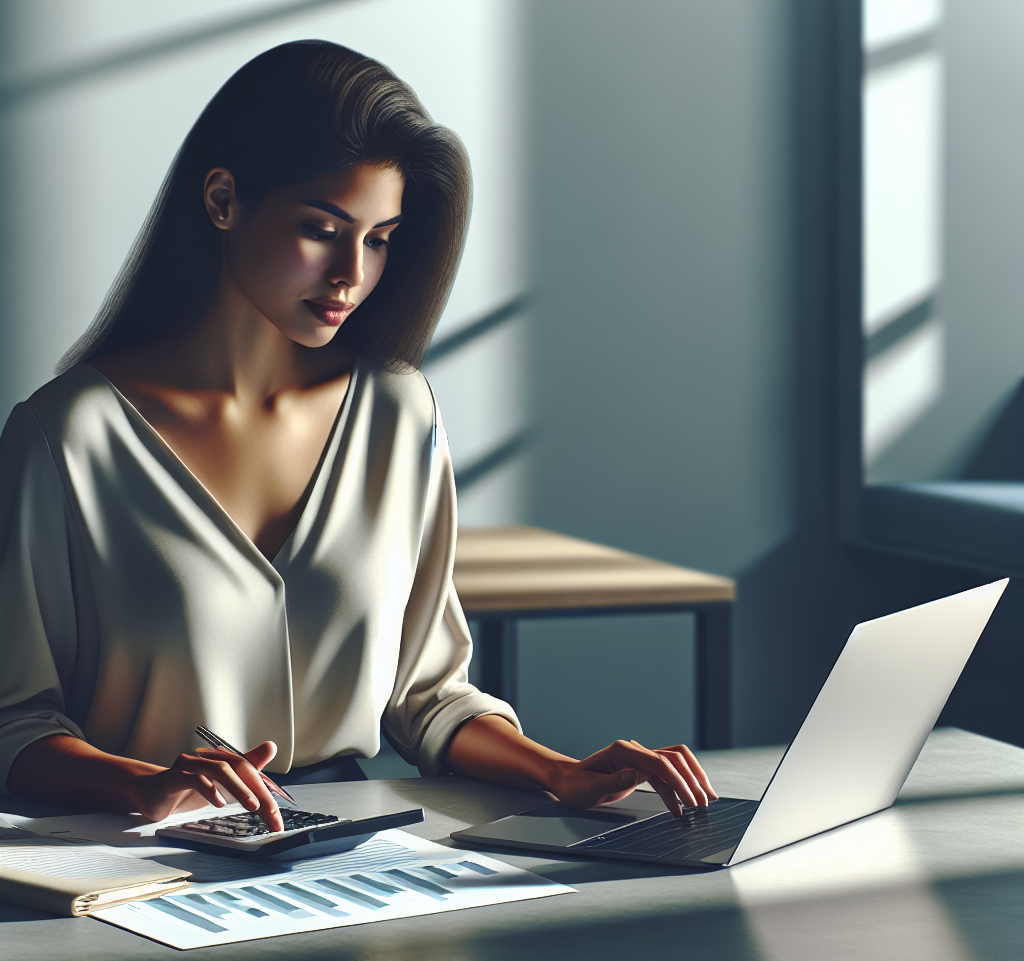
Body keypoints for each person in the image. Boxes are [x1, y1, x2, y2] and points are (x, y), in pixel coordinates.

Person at [0, 41, 716, 833]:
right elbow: (14, 723)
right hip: (137, 863)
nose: (352, 274)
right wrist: (141, 786)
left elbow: (426, 694)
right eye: (321, 229)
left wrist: (562, 771)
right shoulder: (65, 438)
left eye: (379, 238)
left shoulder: (398, 412)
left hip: (356, 854)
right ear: (223, 199)